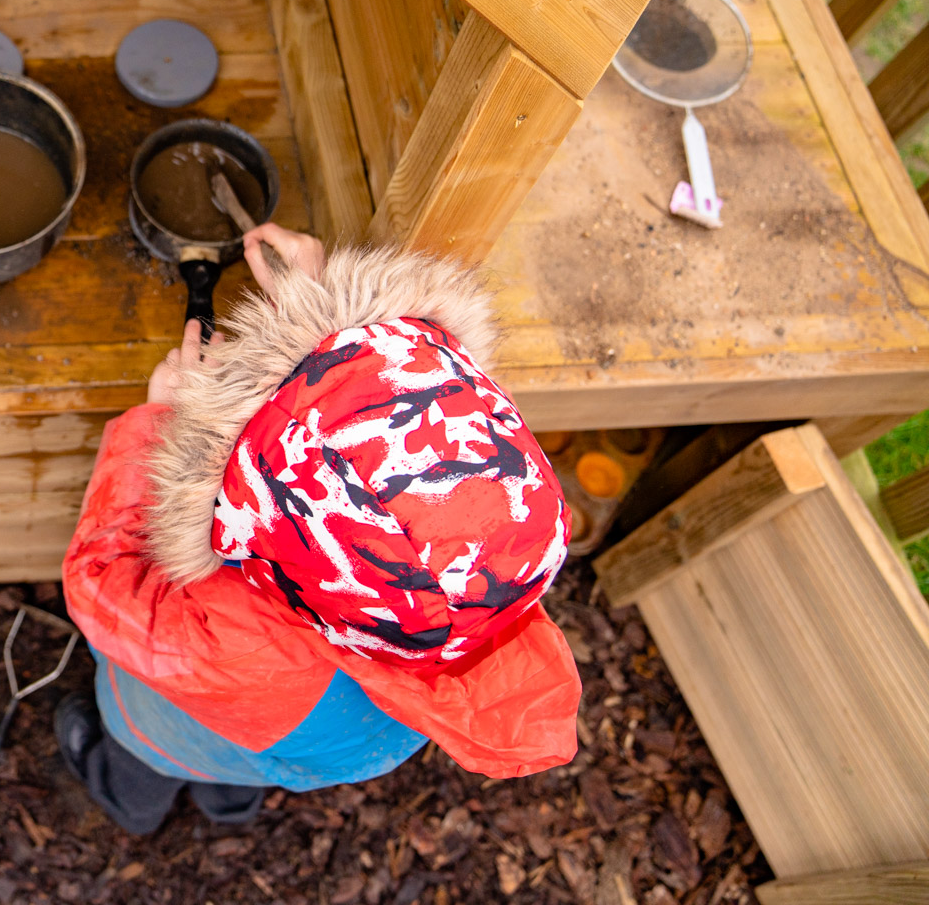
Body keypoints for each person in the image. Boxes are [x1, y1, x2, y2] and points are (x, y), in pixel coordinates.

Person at [57, 225, 579, 834]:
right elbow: (426, 419)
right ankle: (232, 805)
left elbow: (99, 580)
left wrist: (156, 426)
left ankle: (131, 801)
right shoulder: (499, 558)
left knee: (155, 749)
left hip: (187, 721)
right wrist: (322, 306)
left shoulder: (231, 639)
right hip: (347, 747)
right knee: (251, 767)